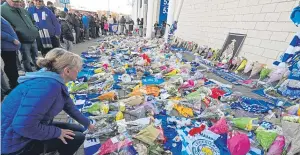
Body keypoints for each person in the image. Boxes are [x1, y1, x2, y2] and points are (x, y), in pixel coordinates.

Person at [1, 48, 95, 155]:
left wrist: (87, 123)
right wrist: (57, 133)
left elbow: (69, 107)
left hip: (25, 130)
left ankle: (52, 148)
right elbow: (23, 126)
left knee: (78, 129)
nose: (79, 71)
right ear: (67, 71)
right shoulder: (49, 87)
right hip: (16, 143)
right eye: (78, 69)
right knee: (76, 137)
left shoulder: (52, 79)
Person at [2, 0, 39, 72]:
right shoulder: (2, 10)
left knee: (36, 57)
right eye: (15, 1)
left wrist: (35, 29)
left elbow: (32, 20)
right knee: (26, 59)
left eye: (19, 1)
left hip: (33, 38)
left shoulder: (22, 9)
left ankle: (39, 70)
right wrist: (14, 36)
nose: (18, 3)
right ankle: (29, 73)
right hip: (22, 40)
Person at [1, 16, 21, 89]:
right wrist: (12, 39)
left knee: (12, 66)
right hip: (6, 46)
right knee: (11, 66)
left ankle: (15, 82)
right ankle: (14, 84)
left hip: (9, 46)